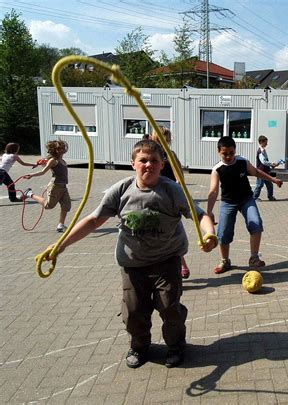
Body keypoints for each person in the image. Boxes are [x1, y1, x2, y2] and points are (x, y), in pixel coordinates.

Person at [46, 139, 216, 368]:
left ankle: (175, 346)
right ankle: (139, 346)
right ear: (132, 164)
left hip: (167, 261)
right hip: (133, 264)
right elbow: (93, 220)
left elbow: (201, 216)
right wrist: (61, 244)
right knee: (134, 311)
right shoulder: (122, 190)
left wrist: (209, 235)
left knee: (169, 308)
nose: (148, 165)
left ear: (162, 164)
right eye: (143, 160)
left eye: (154, 160)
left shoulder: (172, 190)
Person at [207, 136, 283, 274]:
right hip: (228, 203)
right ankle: (225, 261)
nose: (229, 156)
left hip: (246, 199)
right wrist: (209, 211)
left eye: (231, 153)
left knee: (256, 223)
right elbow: (213, 191)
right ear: (218, 152)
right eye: (225, 153)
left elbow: (257, 172)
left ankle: (254, 258)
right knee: (223, 233)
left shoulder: (242, 162)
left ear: (235, 150)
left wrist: (273, 179)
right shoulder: (217, 169)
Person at [151, 127, 192, 279]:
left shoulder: (170, 155)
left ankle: (181, 265)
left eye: (166, 139)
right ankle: (175, 267)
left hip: (168, 200)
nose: (164, 142)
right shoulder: (151, 155)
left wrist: (178, 191)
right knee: (157, 236)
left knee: (171, 234)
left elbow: (179, 176)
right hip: (153, 199)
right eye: (161, 138)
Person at [23, 140, 71, 232]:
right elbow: (43, 172)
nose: (62, 150)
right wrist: (31, 175)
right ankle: (30, 194)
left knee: (66, 206)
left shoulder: (62, 160)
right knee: (48, 206)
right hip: (55, 186)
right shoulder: (53, 160)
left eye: (63, 148)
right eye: (60, 148)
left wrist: (44, 162)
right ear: (56, 150)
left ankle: (60, 225)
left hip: (63, 187)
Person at [253, 135, 280, 201]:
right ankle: (254, 197)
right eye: (265, 142)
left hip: (265, 171)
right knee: (259, 185)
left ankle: (270, 196)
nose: (267, 144)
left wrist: (271, 165)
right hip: (261, 171)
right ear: (261, 142)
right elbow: (264, 161)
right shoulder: (260, 152)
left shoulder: (263, 150)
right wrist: (271, 164)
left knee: (269, 184)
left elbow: (265, 161)